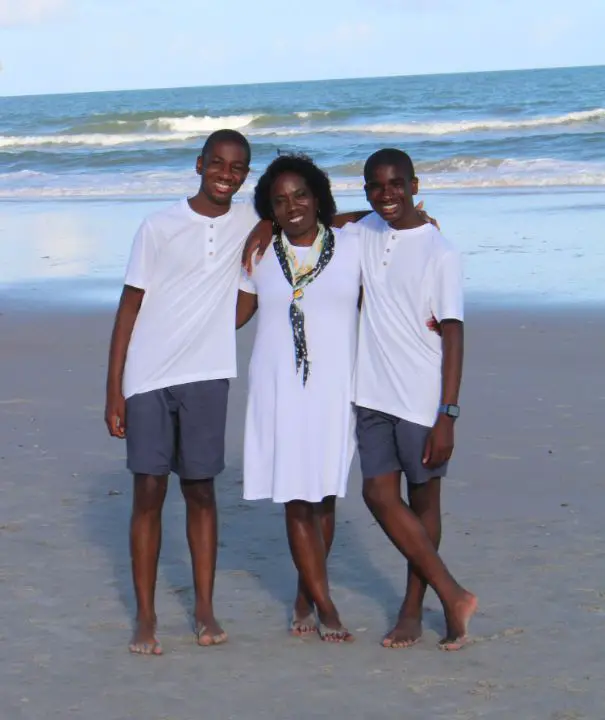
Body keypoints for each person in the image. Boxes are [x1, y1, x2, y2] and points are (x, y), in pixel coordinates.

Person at [104, 129, 259, 655]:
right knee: (148, 491)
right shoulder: (158, 226)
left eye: (237, 167)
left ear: (245, 175)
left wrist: (367, 220)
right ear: (199, 164)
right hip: (147, 375)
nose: (226, 174)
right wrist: (114, 390)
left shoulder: (252, 224)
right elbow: (129, 307)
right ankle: (145, 617)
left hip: (207, 375)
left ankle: (204, 609)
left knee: (201, 490)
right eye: (217, 163)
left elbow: (313, 217)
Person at [354, 148, 476, 650]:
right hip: (370, 394)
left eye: (396, 184)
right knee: (378, 495)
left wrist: (447, 413)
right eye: (377, 186)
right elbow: (321, 217)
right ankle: (453, 594)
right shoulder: (361, 233)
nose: (388, 194)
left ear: (415, 184)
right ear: (366, 191)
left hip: (422, 399)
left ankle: (413, 608)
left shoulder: (439, 251)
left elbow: (453, 335)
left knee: (425, 501)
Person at [236, 154, 361, 642]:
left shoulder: (352, 247)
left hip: (335, 386)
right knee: (294, 496)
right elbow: (234, 315)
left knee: (324, 493)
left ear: (319, 197)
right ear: (268, 210)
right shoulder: (260, 254)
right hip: (278, 386)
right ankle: (325, 605)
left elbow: (385, 221)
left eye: (301, 195)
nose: (292, 207)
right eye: (279, 201)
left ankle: (305, 595)